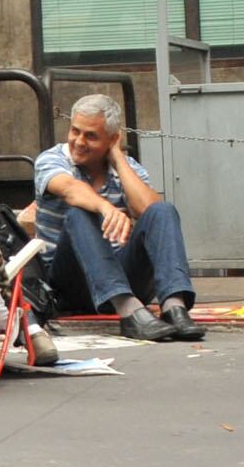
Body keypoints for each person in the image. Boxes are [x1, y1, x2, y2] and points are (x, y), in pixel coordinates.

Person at [34, 95, 197, 342]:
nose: (79, 141)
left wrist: (118, 159)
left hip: (124, 278)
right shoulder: (53, 158)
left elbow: (149, 209)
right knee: (79, 213)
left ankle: (175, 308)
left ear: (112, 139)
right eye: (75, 131)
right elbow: (69, 189)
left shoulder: (126, 167)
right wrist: (105, 208)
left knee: (163, 210)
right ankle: (129, 313)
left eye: (91, 136)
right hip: (70, 284)